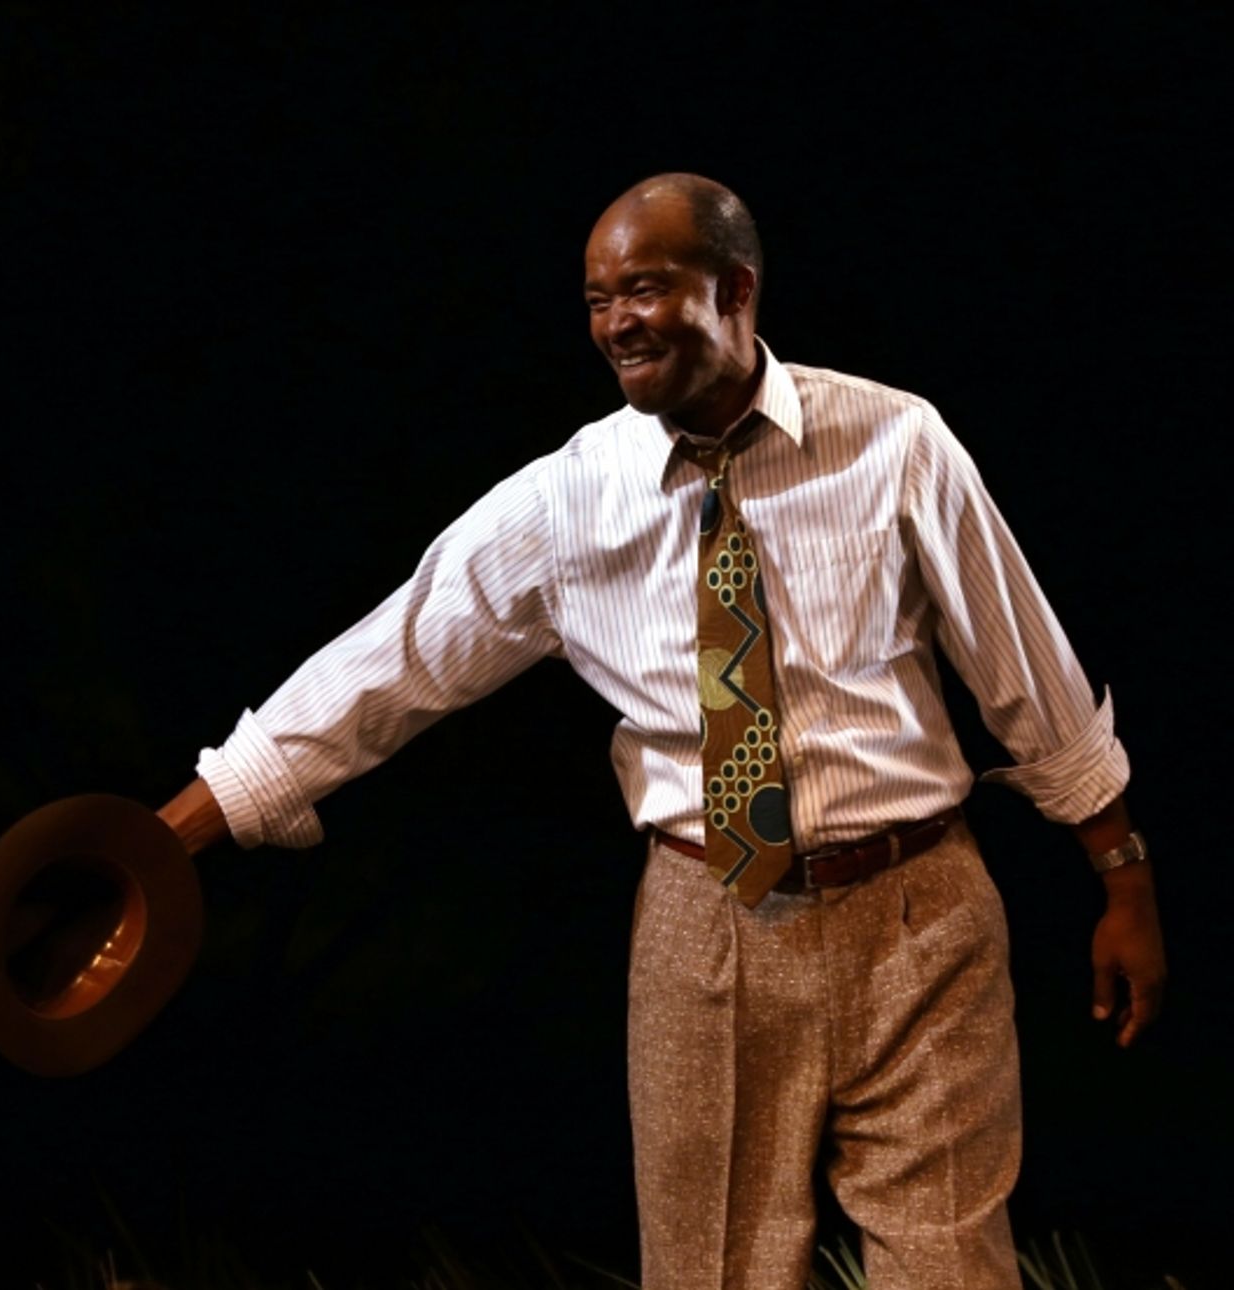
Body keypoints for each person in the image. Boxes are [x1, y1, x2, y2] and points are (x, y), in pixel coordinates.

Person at [156, 174, 1166, 1290]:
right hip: (707, 921)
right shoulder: (564, 501)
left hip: (920, 914)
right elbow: (379, 669)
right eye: (596, 300)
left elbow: (1024, 667)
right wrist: (166, 843)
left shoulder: (896, 444)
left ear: (733, 290)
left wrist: (1119, 877)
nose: (616, 322)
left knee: (950, 1265)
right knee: (711, 1269)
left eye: (643, 288)